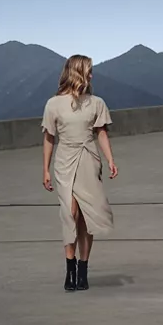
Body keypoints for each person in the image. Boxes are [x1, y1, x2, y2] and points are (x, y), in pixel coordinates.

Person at [41, 55, 118, 290]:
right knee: (70, 213)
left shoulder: (96, 103)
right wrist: (45, 169)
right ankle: (70, 268)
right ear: (77, 73)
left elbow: (101, 133)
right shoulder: (53, 104)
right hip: (64, 161)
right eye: (89, 70)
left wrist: (110, 159)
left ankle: (83, 270)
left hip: (88, 158)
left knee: (87, 216)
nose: (92, 75)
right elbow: (49, 137)